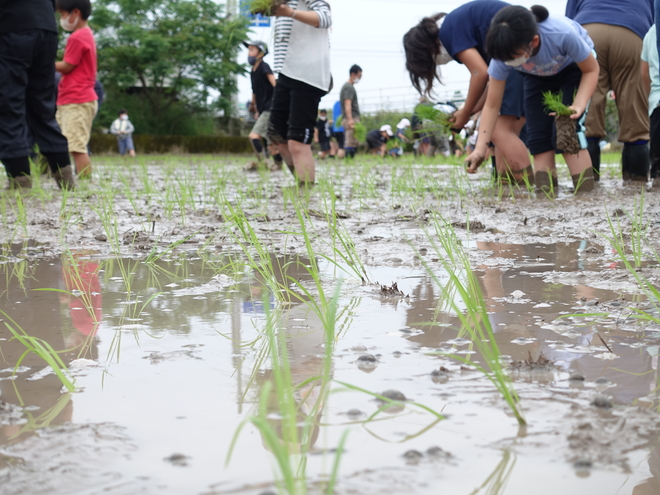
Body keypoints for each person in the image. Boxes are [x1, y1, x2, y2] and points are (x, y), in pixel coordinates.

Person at [464, 5, 599, 196]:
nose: (508, 62)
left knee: (567, 130)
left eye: (513, 57)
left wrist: (579, 104)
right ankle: (546, 196)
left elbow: (591, 70)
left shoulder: (561, 34)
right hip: (537, 77)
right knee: (538, 137)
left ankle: (586, 197)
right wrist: (479, 148)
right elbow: (493, 105)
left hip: (575, 69)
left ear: (534, 41)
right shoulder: (502, 56)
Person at [403, 1, 531, 184]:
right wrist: (467, 111)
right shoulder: (459, 27)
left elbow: (480, 73)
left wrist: (464, 112)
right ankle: (507, 186)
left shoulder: (449, 30)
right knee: (505, 131)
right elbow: (490, 83)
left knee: (500, 129)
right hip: (522, 53)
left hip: (514, 49)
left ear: (428, 50)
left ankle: (526, 187)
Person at [566, 0, 654, 182]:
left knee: (588, 116)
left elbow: (569, 20)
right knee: (635, 116)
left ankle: (588, 185)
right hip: (632, 33)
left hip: (589, 34)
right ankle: (635, 185)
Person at [0, 0, 74, 190]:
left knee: (9, 104)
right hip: (46, 25)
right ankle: (66, 180)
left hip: (12, 25)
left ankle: (19, 181)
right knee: (43, 105)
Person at [267, 0, 332, 187]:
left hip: (307, 73)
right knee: (276, 134)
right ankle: (302, 183)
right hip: (285, 72)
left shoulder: (297, 5)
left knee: (297, 140)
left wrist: (289, 12)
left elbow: (326, 18)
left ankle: (306, 192)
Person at [55, 0, 97, 179]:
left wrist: (42, 63)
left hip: (77, 98)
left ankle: (85, 185)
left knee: (76, 147)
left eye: (63, 15)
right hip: (73, 98)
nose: (62, 19)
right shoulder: (86, 35)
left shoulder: (78, 36)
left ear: (76, 13)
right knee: (68, 142)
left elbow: (67, 66)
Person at [244, 40, 282, 171]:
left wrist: (280, 102)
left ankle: (263, 163)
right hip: (262, 108)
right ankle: (278, 165)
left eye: (252, 50)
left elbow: (275, 84)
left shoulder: (264, 67)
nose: (249, 53)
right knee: (271, 142)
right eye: (249, 50)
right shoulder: (253, 71)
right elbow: (254, 90)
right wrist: (253, 105)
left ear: (261, 53)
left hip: (270, 107)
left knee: (254, 136)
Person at [642, 23, 660, 187]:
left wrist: (652, 95)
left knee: (658, 167)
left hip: (657, 100)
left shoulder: (651, 32)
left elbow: (644, 72)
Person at [340, 64, 362, 158]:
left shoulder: (349, 87)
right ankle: (348, 161)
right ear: (353, 74)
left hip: (352, 117)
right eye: (359, 76)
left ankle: (351, 161)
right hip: (351, 117)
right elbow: (347, 103)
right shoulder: (348, 87)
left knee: (354, 140)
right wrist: (350, 119)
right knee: (350, 140)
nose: (360, 78)